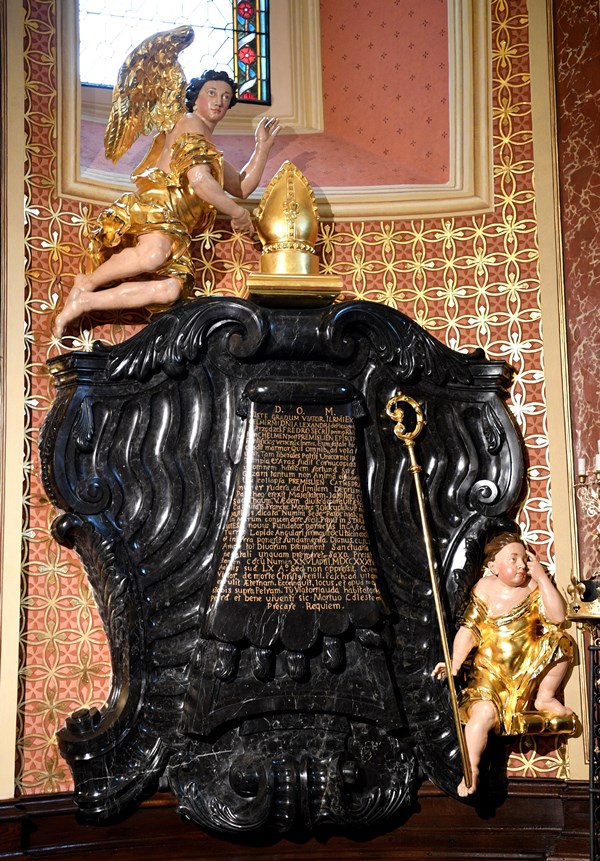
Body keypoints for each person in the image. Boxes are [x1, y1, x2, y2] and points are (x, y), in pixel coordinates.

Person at [54, 70, 280, 337]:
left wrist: (262, 147)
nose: (219, 101)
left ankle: (85, 301)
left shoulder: (208, 147)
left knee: (170, 290)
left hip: (178, 229)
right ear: (195, 98)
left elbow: (241, 185)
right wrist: (237, 213)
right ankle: (87, 282)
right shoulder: (190, 123)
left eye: (226, 97)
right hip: (161, 207)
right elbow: (199, 180)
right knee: (153, 255)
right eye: (211, 93)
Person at [432, 532, 573, 797]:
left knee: (562, 642)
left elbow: (558, 617)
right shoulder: (484, 589)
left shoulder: (533, 587)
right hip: (489, 677)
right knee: (483, 714)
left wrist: (542, 577)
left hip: (526, 670)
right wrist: (454, 664)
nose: (521, 565)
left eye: (524, 559)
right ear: (493, 566)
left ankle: (545, 697)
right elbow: (468, 631)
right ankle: (471, 770)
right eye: (513, 559)